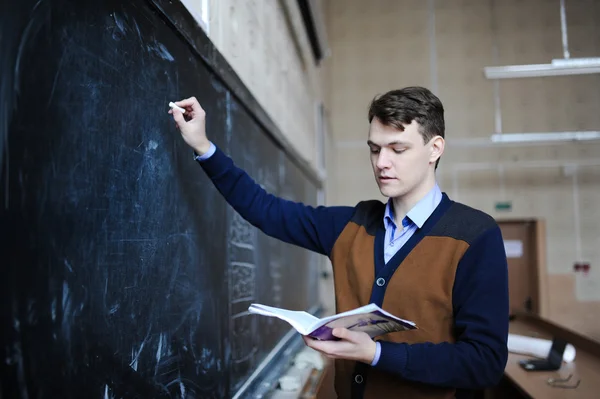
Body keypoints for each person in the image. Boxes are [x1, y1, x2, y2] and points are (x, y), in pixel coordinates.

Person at [169, 86, 509, 399]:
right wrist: (203, 146)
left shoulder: (474, 236)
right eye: (374, 149)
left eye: (398, 149)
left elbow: (484, 361)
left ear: (435, 148)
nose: (381, 163)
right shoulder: (351, 225)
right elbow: (266, 210)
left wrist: (376, 353)